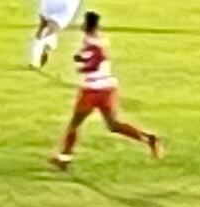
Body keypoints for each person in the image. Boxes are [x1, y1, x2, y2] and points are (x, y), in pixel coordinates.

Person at [50, 11, 161, 167]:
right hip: (107, 88)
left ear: (87, 25)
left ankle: (64, 159)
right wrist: (81, 58)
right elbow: (95, 58)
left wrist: (84, 66)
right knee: (113, 125)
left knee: (75, 124)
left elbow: (95, 60)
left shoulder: (91, 42)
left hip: (93, 89)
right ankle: (148, 138)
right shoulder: (100, 39)